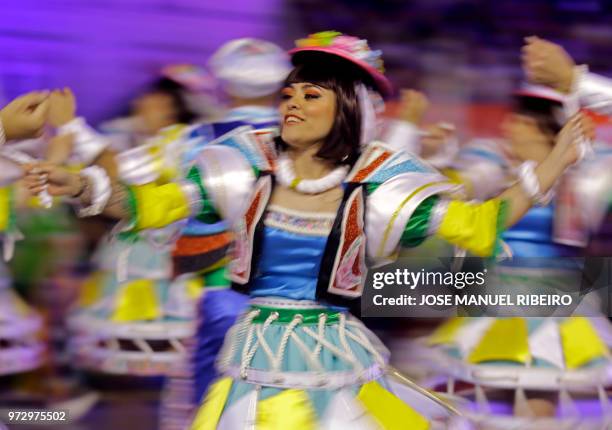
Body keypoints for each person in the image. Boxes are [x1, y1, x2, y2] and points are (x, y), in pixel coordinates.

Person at [27, 31, 588, 428]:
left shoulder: (379, 183)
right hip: (251, 355)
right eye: (288, 94)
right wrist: (80, 185)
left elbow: (479, 224)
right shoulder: (242, 165)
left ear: (346, 108)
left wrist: (556, 163)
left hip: (330, 357)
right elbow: (151, 206)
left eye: (310, 94)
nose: (292, 103)